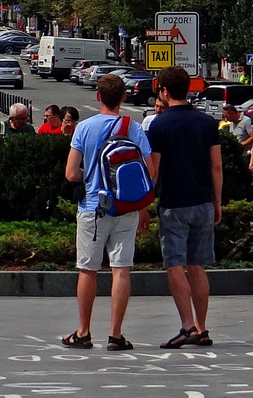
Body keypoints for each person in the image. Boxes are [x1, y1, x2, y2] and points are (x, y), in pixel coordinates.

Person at [63, 72, 152, 352]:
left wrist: (88, 176)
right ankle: (115, 334)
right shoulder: (133, 128)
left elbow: (70, 173)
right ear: (124, 97)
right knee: (121, 270)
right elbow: (149, 172)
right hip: (126, 207)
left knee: (88, 270)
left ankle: (84, 332)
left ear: (98, 96)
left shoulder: (84, 128)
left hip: (93, 207)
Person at [147, 66, 222, 349]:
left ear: (164, 92)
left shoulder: (160, 125)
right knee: (197, 265)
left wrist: (144, 202)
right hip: (202, 200)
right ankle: (202, 328)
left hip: (173, 203)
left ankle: (187, 326)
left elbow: (154, 169)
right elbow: (216, 166)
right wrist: (217, 201)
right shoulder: (206, 122)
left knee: (175, 264)